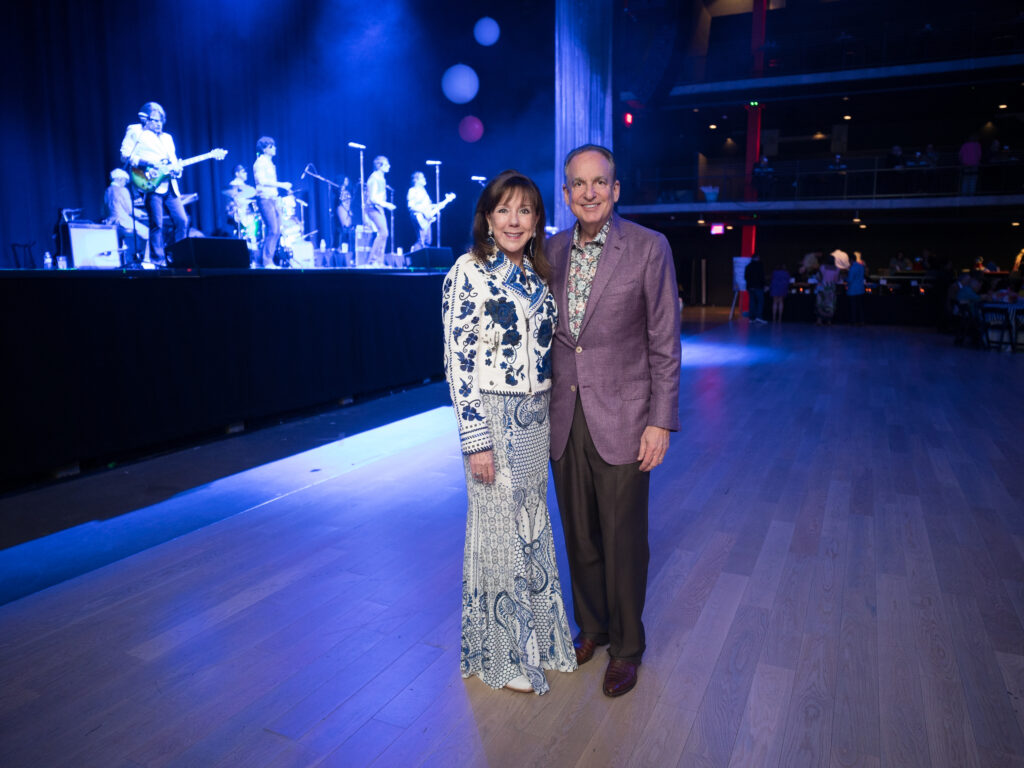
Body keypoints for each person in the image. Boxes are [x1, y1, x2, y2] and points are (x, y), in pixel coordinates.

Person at [548, 144, 681, 698]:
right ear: (565, 194)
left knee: (624, 539)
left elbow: (664, 342)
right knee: (579, 535)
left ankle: (627, 647)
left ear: (616, 188)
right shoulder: (549, 250)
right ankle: (593, 628)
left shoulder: (649, 248)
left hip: (626, 417)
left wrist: (661, 421)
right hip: (563, 417)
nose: (589, 192)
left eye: (599, 182)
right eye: (578, 184)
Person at [441, 170, 576, 695]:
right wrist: (475, 438)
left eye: (525, 210)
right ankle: (502, 656)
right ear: (487, 218)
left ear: (538, 220)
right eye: (504, 210)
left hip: (535, 417)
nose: (514, 220)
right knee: (496, 535)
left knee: (531, 526)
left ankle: (538, 640)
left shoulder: (538, 277)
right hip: (493, 419)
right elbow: (458, 362)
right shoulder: (467, 272)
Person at [120, 102, 188, 266]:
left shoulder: (168, 138)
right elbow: (125, 155)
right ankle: (158, 260)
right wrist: (148, 162)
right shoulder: (136, 131)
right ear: (146, 120)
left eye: (160, 121)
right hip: (150, 182)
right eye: (154, 120)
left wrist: (177, 170)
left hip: (170, 185)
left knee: (182, 220)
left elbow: (172, 160)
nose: (158, 124)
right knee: (157, 223)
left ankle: (181, 258)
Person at [253, 137, 291, 268]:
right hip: (265, 199)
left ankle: (269, 260)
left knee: (278, 230)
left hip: (273, 199)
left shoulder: (269, 163)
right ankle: (266, 261)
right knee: (273, 229)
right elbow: (262, 181)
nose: (274, 148)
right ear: (265, 149)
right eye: (271, 146)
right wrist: (282, 185)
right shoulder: (260, 163)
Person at [103, 168, 149, 265]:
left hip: (111, 222)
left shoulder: (108, 190)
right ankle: (146, 261)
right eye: (125, 180)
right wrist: (144, 213)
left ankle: (128, 259)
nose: (125, 183)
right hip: (122, 222)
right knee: (148, 233)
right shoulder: (122, 190)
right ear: (119, 179)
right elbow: (129, 210)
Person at [366, 156, 395, 266]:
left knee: (384, 233)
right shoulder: (374, 178)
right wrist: (387, 205)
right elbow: (372, 198)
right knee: (383, 232)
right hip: (372, 208)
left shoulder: (382, 178)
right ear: (379, 165)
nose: (389, 166)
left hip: (378, 208)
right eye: (386, 164)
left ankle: (379, 261)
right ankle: (373, 260)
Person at [407, 171, 434, 251]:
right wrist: (423, 212)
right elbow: (411, 206)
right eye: (422, 177)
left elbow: (428, 206)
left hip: (426, 218)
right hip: (418, 216)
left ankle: (424, 260)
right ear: (417, 180)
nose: (425, 179)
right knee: (421, 240)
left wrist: (440, 205)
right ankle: (414, 256)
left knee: (428, 240)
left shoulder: (424, 191)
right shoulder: (412, 190)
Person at [816, 254, 840, 325]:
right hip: (831, 289)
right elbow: (837, 280)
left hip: (822, 287)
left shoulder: (822, 267)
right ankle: (829, 321)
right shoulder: (837, 269)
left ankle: (819, 320)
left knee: (820, 304)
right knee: (829, 305)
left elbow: (818, 277)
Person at [744, 252, 767, 323]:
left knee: (752, 302)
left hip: (750, 287)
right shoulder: (760, 265)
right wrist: (764, 285)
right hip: (758, 286)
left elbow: (746, 277)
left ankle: (751, 318)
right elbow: (761, 277)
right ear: (757, 258)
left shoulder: (748, 266)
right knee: (760, 302)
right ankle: (759, 317)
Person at [335, 176, 354, 254]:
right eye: (345, 180)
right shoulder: (341, 190)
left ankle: (347, 249)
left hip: (347, 209)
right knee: (344, 228)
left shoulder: (347, 190)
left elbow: (348, 202)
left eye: (347, 180)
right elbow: (343, 202)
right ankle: (340, 248)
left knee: (348, 229)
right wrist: (347, 210)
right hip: (342, 209)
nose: (347, 181)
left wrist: (349, 210)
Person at [847, 251, 866, 325]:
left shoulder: (852, 268)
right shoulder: (861, 266)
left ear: (851, 260)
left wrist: (845, 279)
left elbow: (850, 280)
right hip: (860, 289)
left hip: (853, 290)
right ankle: (861, 321)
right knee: (860, 306)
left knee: (853, 306)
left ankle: (853, 321)